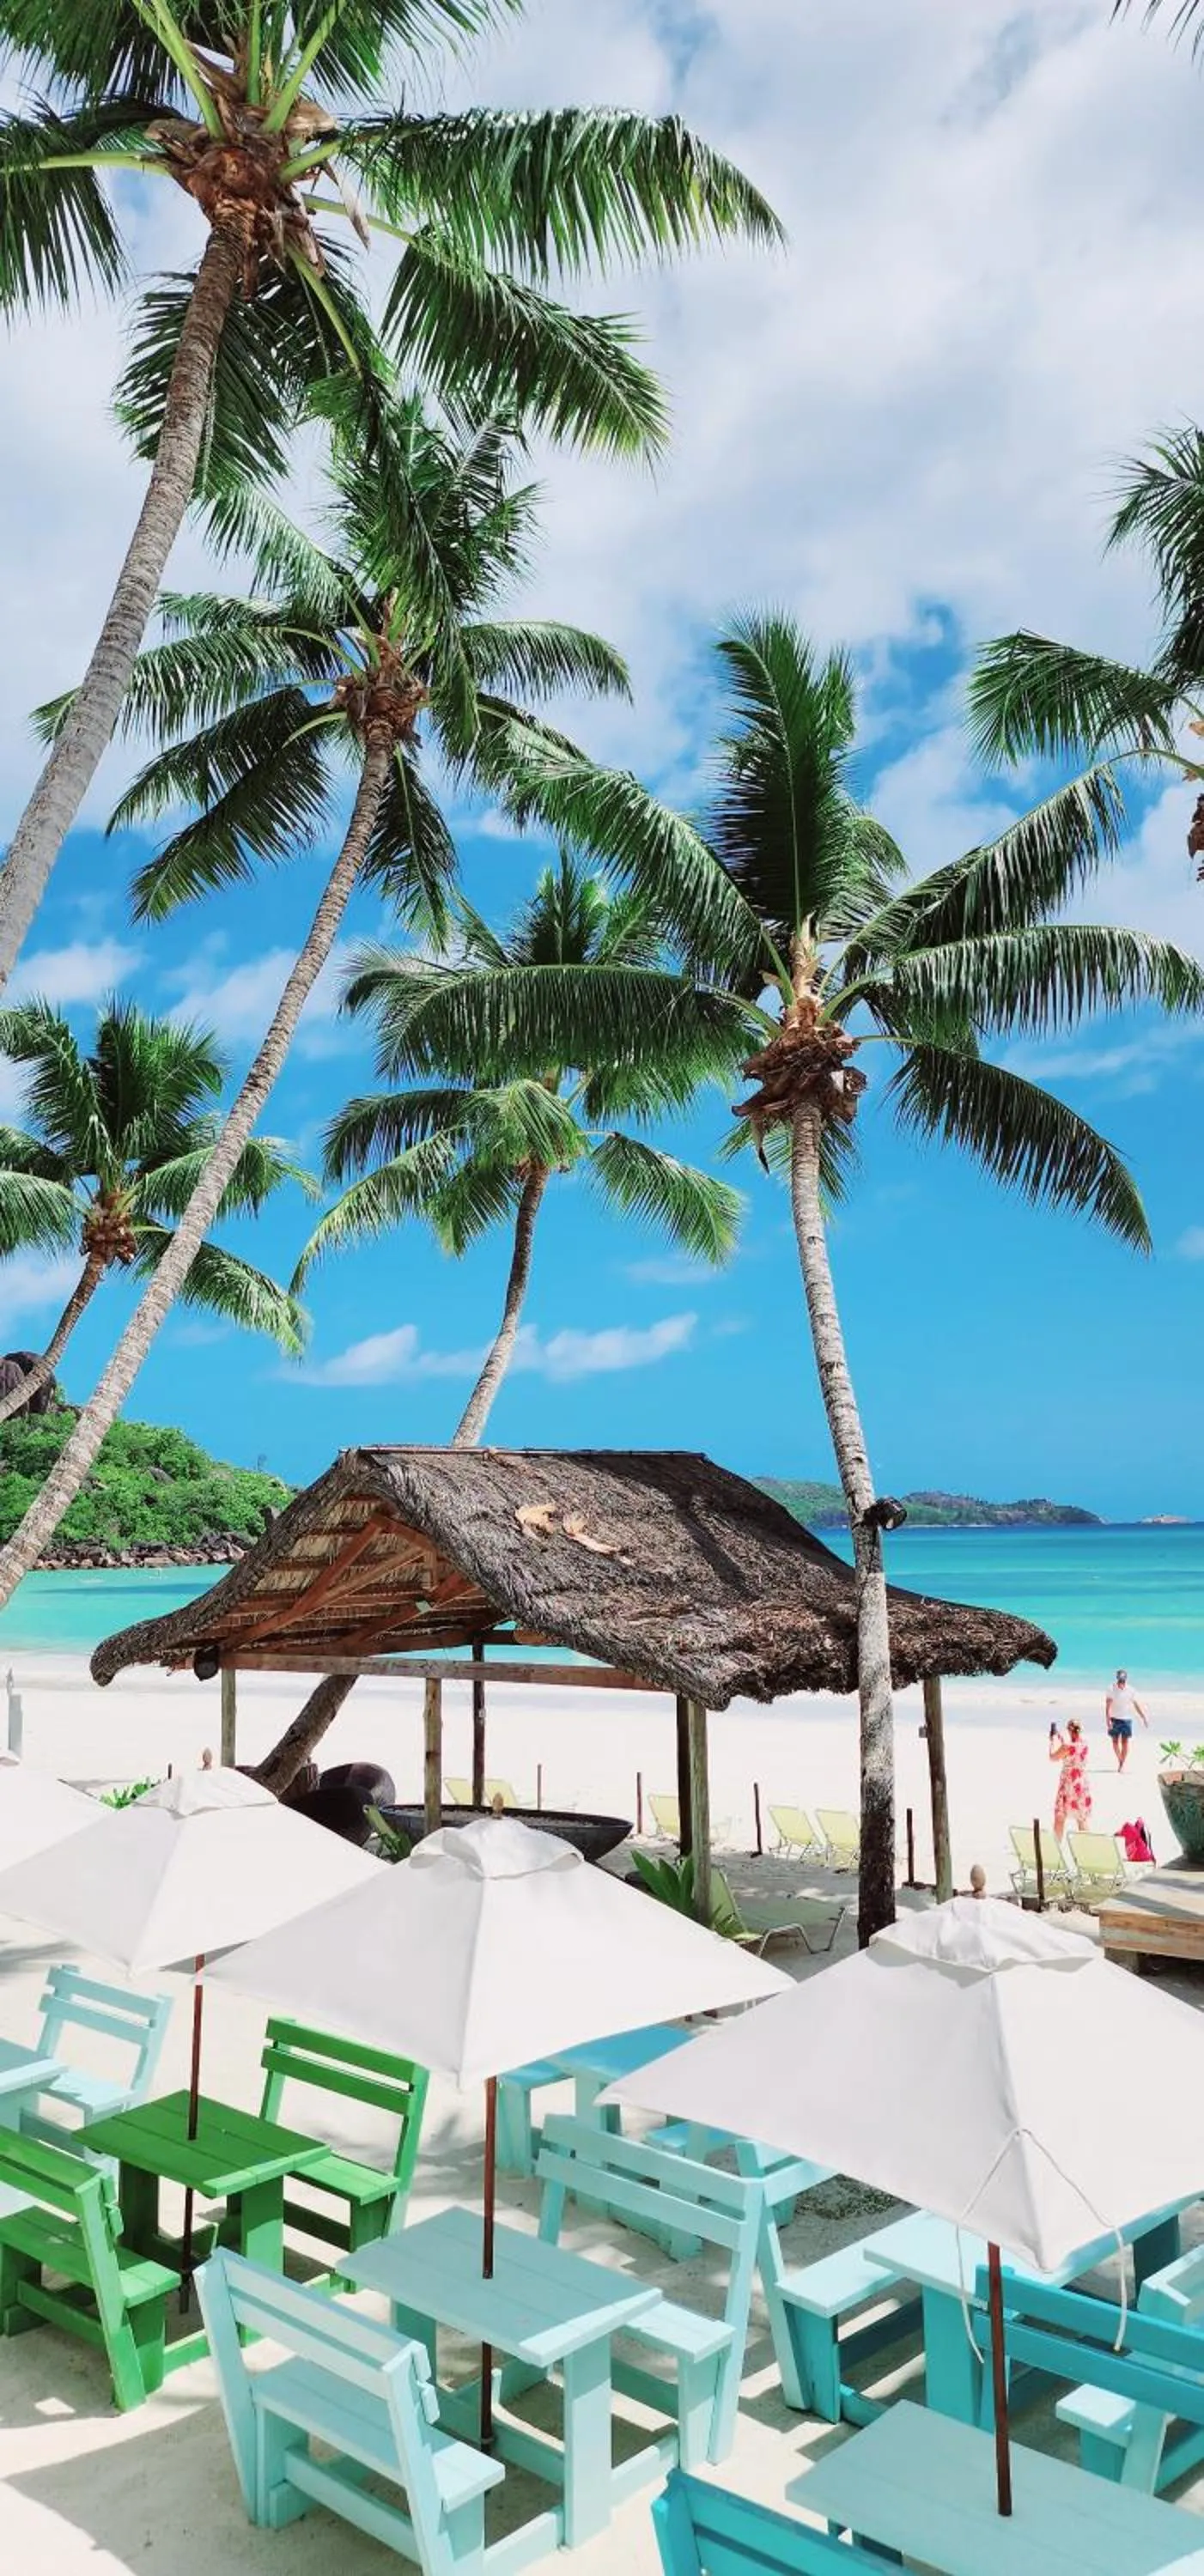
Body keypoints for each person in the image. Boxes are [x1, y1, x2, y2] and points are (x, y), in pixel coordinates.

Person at [1050, 1717, 1092, 1842]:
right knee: (1081, 1816)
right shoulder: (1084, 1743)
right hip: (1081, 1781)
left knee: (1060, 1815)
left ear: (1069, 1730)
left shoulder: (1067, 1746)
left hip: (1068, 1782)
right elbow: (1072, 1752)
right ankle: (1087, 1846)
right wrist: (1061, 1740)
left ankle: (1056, 1844)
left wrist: (1052, 1742)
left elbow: (1053, 1757)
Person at [1105, 1668, 1147, 1774]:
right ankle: (1120, 1761)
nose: (1121, 1681)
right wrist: (1108, 1720)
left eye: (1123, 1679)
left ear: (1126, 1679)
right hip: (1114, 1718)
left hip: (1127, 1719)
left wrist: (1143, 1717)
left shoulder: (1131, 1690)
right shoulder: (1111, 1688)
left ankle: (1122, 1764)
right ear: (1117, 1678)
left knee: (1125, 1742)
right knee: (1115, 1742)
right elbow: (1108, 1707)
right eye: (1120, 1679)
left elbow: (1136, 1704)